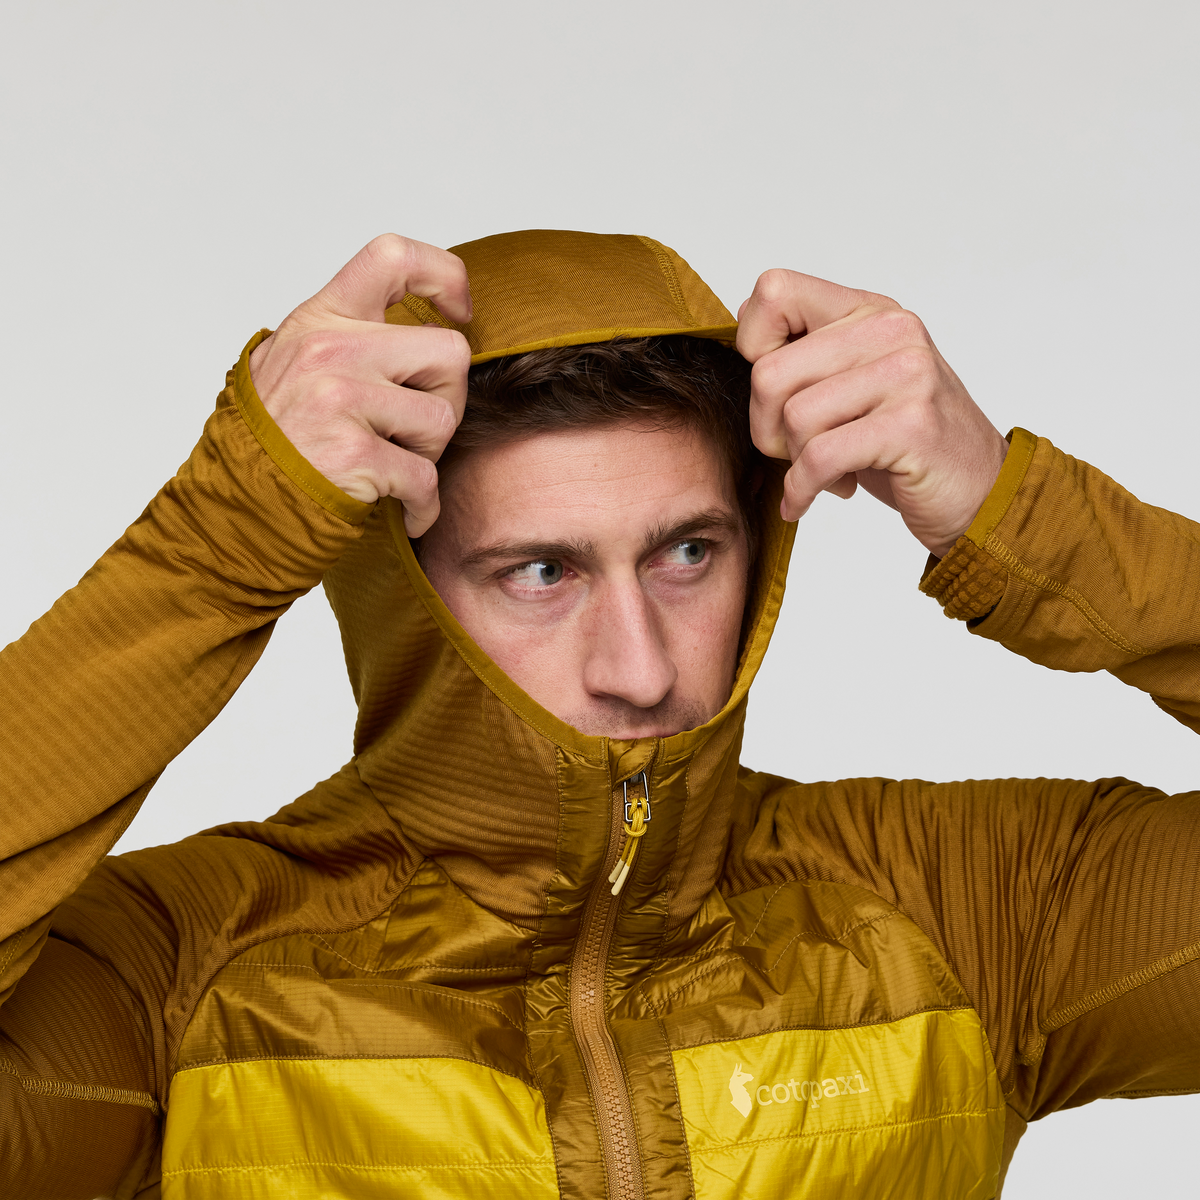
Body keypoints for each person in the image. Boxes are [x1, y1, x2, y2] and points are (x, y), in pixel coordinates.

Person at [0, 228, 1196, 1200]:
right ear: (401, 599)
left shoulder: (967, 911)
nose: (640, 667)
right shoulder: (181, 980)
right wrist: (220, 545)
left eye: (687, 553)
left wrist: (1017, 516)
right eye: (541, 573)